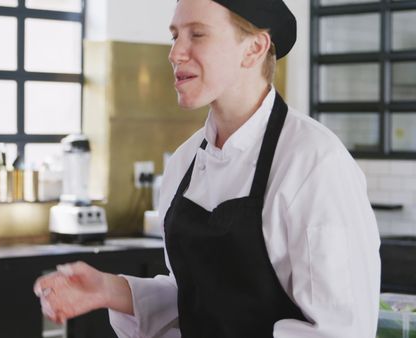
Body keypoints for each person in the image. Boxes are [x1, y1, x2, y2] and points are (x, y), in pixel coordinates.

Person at [33, 0, 381, 337]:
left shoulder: (314, 164)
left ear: (254, 48)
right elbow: (199, 298)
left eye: (197, 34)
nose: (175, 52)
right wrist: (111, 290)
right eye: (175, 36)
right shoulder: (185, 162)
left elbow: (340, 330)